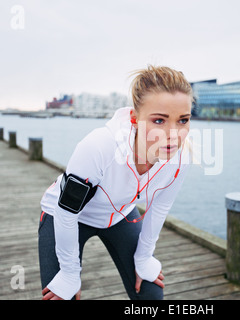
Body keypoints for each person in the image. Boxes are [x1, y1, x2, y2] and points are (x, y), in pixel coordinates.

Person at [38, 65, 193, 300]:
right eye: (159, 120)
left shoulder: (181, 156)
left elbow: (160, 206)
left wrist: (144, 257)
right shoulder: (99, 147)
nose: (174, 134)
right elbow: (66, 212)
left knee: (151, 295)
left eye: (183, 120)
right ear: (134, 118)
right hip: (68, 217)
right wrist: (70, 273)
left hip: (119, 214)